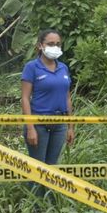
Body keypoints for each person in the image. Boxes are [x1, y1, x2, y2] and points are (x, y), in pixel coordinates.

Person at [21, 29, 74, 180]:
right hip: (39, 124)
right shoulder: (32, 67)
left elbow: (67, 98)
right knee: (38, 169)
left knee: (52, 168)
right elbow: (25, 98)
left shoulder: (63, 68)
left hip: (59, 124)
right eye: (50, 44)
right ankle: (35, 196)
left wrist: (70, 127)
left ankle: (49, 196)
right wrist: (30, 128)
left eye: (58, 44)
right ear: (40, 45)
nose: (55, 47)